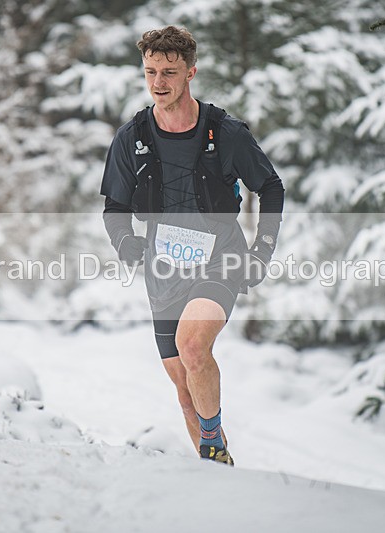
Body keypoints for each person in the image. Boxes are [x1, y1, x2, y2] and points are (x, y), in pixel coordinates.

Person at [100, 25, 284, 465]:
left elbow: (271, 188)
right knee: (184, 391)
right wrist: (129, 248)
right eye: (150, 72)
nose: (158, 83)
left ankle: (213, 445)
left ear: (190, 73)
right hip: (163, 270)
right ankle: (214, 463)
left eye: (169, 72)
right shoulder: (132, 137)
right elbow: (115, 208)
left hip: (220, 256)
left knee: (194, 346)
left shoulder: (227, 133)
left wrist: (261, 251)